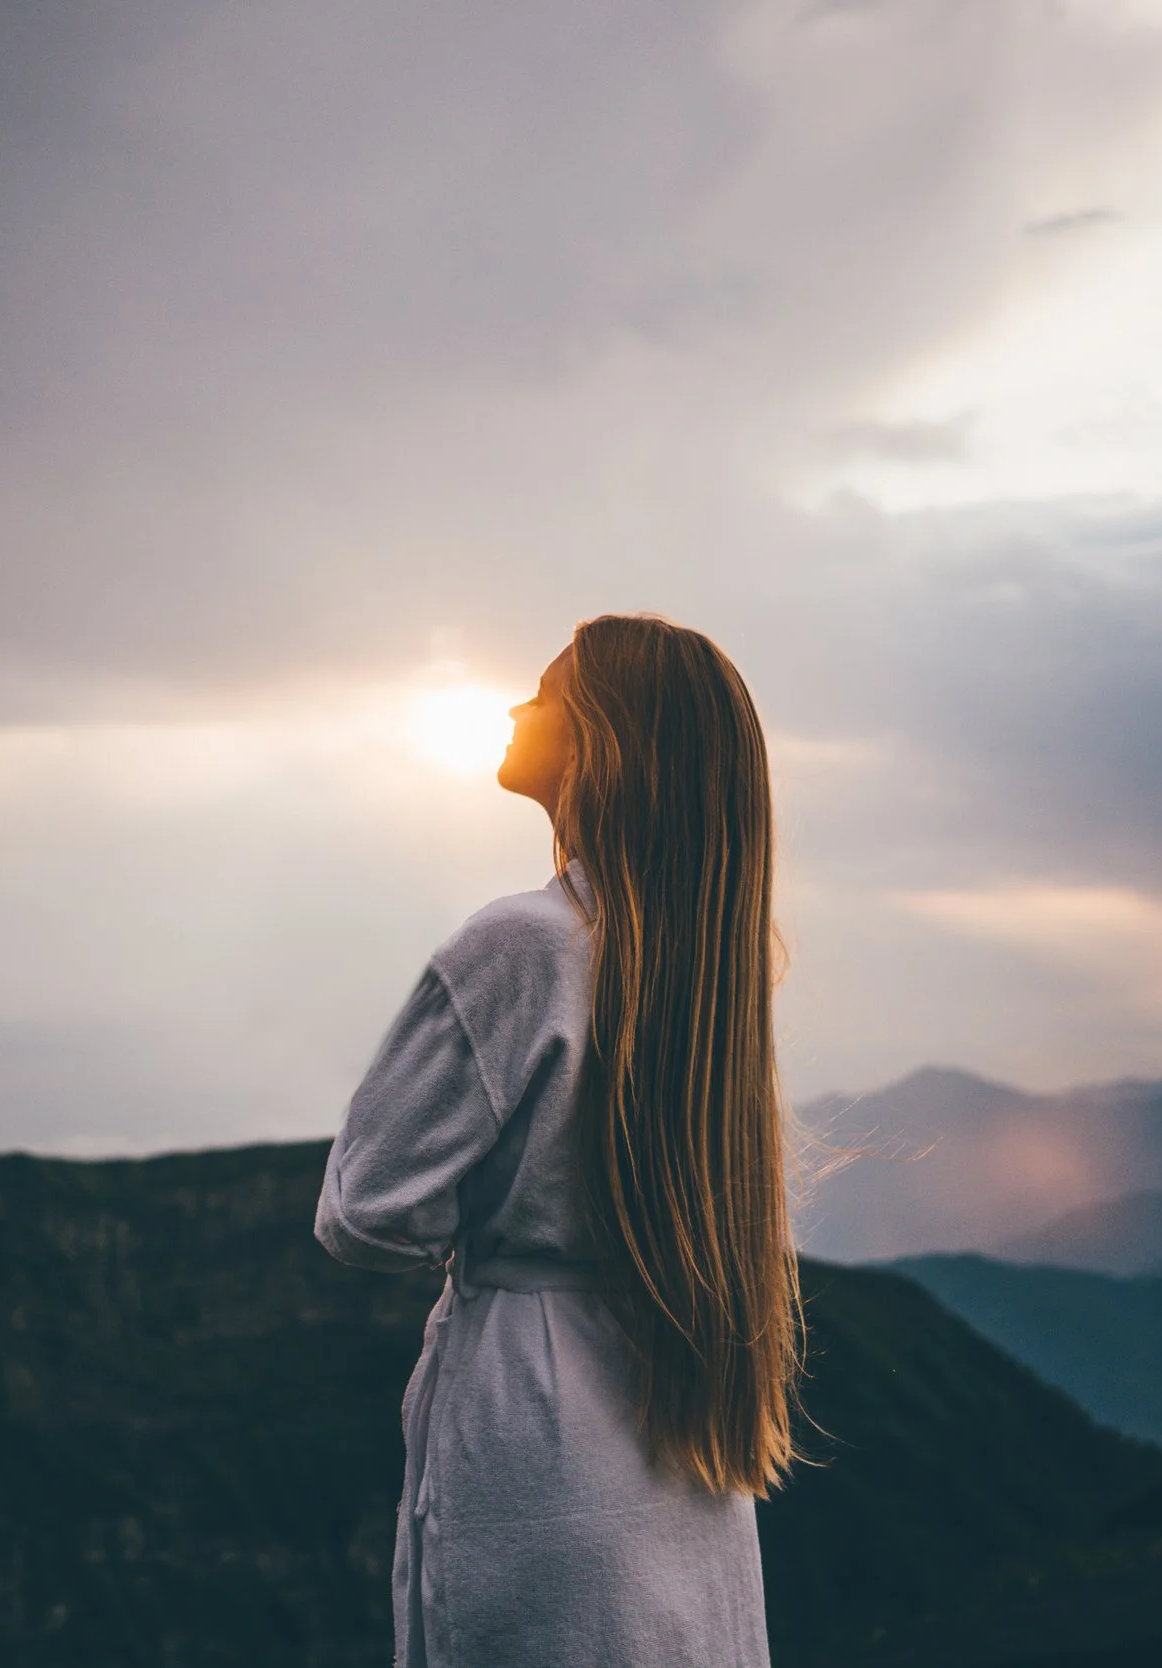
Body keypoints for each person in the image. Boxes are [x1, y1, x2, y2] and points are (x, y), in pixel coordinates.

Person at [314, 613, 799, 1667]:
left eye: (541, 690)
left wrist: (487, 1225)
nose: (512, 707)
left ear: (597, 738)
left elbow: (363, 1209)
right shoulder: (706, 972)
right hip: (676, 1447)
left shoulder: (521, 946)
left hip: (534, 1434)